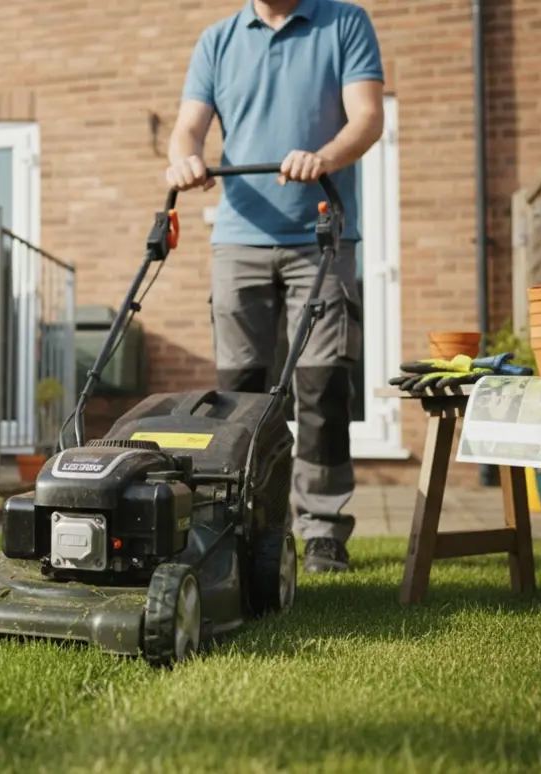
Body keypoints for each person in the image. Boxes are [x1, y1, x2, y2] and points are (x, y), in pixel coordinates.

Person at [164, 0, 385, 573]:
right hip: (238, 239)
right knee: (240, 395)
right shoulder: (217, 39)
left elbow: (367, 118)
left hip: (320, 233)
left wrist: (324, 156)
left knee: (322, 386)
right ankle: (245, 521)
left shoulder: (344, 23)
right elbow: (188, 128)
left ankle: (324, 531)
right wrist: (186, 160)